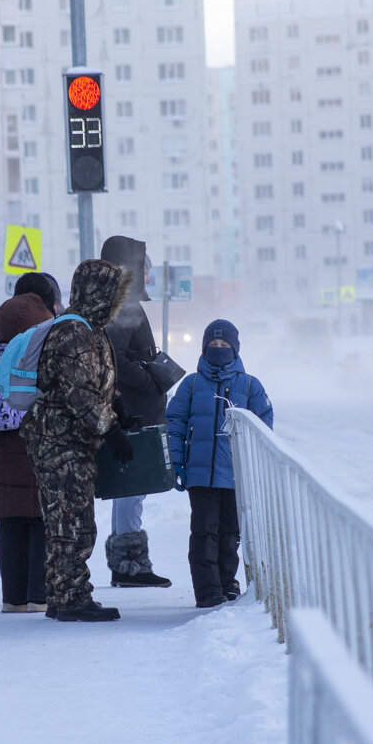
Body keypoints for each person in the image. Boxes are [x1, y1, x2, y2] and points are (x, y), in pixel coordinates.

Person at [21, 258, 133, 622]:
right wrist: (110, 427)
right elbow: (79, 392)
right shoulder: (73, 331)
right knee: (70, 522)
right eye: (112, 292)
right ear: (97, 292)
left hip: (72, 441)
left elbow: (98, 382)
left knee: (70, 519)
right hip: (59, 443)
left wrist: (119, 409)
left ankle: (64, 595)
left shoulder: (92, 329)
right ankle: (70, 599)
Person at [166, 319, 273, 608]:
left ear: (235, 348)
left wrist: (256, 468)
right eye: (213, 344)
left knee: (230, 535)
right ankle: (208, 590)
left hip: (236, 476)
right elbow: (174, 424)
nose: (218, 349)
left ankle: (227, 584)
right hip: (200, 474)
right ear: (204, 347)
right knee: (204, 533)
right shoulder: (191, 384)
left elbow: (263, 429)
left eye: (224, 345)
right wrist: (176, 463)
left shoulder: (250, 385)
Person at [98, 235, 172, 588]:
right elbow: (117, 358)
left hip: (132, 409)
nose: (148, 277)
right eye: (146, 269)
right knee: (132, 488)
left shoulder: (117, 301)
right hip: (133, 411)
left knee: (130, 488)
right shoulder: (123, 303)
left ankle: (125, 564)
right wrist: (149, 380)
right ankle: (130, 565)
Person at [0, 292, 55, 612]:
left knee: (9, 523)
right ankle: (38, 595)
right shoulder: (32, 357)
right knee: (39, 520)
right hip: (32, 451)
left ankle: (13, 598)